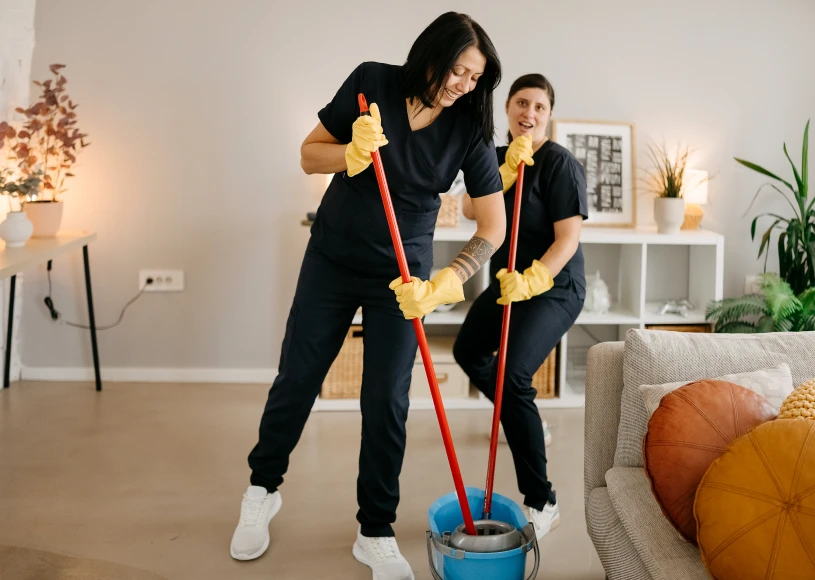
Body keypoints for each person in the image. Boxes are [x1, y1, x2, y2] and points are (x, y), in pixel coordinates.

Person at [230, 12, 507, 580]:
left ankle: (375, 530)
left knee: (386, 402)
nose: (462, 84)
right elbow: (309, 155)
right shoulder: (372, 83)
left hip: (402, 283)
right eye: (457, 70)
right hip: (332, 260)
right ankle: (262, 491)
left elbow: (494, 227)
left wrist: (447, 282)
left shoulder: (467, 130)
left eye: (474, 78)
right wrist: (350, 154)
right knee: (298, 378)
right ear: (429, 55)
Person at [454, 73, 588, 541]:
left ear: (549, 115)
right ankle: (523, 417)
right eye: (521, 103)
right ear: (507, 108)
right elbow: (472, 211)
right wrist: (504, 172)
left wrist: (536, 278)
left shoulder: (560, 165)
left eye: (539, 107)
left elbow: (568, 239)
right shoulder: (493, 156)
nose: (528, 114)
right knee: (468, 350)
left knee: (513, 374)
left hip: (553, 286)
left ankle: (541, 499)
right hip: (509, 283)